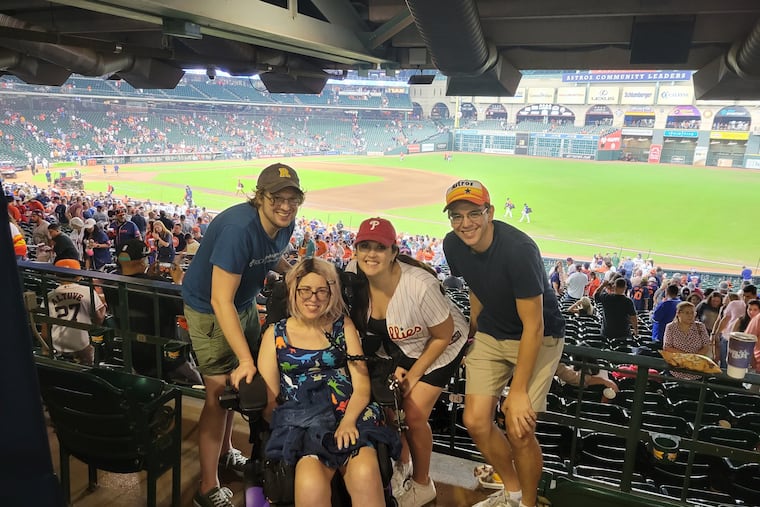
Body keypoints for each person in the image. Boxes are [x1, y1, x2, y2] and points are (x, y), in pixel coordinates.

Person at [182, 163, 303, 507]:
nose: (285, 205)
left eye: (292, 199)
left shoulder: (285, 222)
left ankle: (226, 451)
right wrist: (247, 358)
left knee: (239, 388)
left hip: (244, 304)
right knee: (218, 396)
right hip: (210, 310)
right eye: (277, 198)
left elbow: (269, 257)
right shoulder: (239, 228)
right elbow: (220, 300)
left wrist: (292, 272)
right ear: (259, 197)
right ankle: (207, 487)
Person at [441, 180, 565, 507]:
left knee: (519, 428)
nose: (465, 223)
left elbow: (534, 325)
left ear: (490, 212)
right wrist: (474, 332)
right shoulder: (452, 245)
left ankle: (527, 504)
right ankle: (512, 493)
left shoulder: (519, 250)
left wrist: (519, 390)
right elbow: (476, 287)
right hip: (493, 332)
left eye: (473, 213)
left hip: (538, 336)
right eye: (456, 216)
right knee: (475, 421)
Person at [258, 258, 399, 507]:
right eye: (306, 290)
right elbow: (270, 401)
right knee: (310, 483)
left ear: (331, 293)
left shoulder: (342, 326)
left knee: (366, 473)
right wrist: (292, 428)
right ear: (294, 291)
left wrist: (347, 421)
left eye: (322, 291)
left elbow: (362, 385)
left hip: (349, 415)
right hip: (301, 420)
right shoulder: (275, 334)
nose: (314, 298)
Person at [347, 217, 468, 507]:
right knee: (391, 410)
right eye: (365, 246)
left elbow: (443, 335)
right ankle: (403, 463)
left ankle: (423, 484)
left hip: (442, 345)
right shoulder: (353, 274)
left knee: (412, 414)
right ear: (355, 250)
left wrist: (414, 375)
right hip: (399, 347)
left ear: (393, 252)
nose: (371, 254)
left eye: (380, 247)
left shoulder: (419, 286)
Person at [44, 265, 106, 365]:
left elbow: (45, 333)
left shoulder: (49, 295)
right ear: (78, 276)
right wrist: (104, 308)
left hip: (57, 345)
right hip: (81, 345)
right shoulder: (88, 291)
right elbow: (98, 321)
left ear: (56, 274)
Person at [663, 302, 711, 380]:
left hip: (696, 369)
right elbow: (667, 347)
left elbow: (706, 345)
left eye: (692, 313)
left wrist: (694, 358)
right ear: (679, 313)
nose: (690, 316)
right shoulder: (670, 327)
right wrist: (686, 357)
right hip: (676, 369)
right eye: (687, 313)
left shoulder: (700, 326)